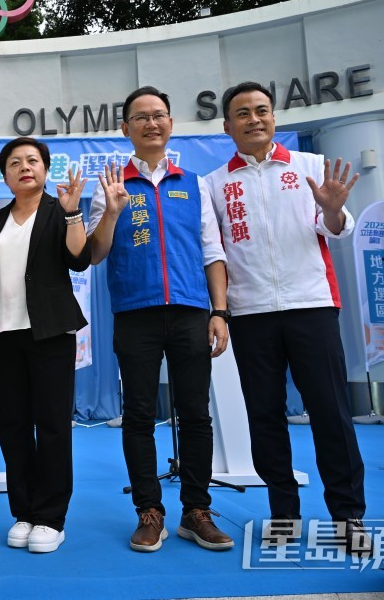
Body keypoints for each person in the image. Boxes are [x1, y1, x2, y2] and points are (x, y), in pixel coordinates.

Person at [204, 81, 368, 553]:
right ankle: (284, 513)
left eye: (263, 110)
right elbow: (213, 250)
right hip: (252, 314)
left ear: (274, 117)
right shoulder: (215, 184)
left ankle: (348, 515)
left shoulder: (311, 167)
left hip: (311, 305)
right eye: (243, 113)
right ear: (228, 126)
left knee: (331, 413)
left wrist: (334, 211)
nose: (255, 119)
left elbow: (334, 228)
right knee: (265, 416)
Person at [86, 86, 233, 553]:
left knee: (195, 414)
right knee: (140, 416)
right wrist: (110, 213)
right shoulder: (110, 184)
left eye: (160, 115)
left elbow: (212, 252)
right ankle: (149, 512)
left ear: (171, 123)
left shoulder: (195, 183)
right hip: (136, 315)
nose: (152, 123)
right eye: (141, 117)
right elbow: (95, 254)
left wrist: (220, 311)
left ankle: (196, 511)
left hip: (192, 312)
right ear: (125, 128)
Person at [0, 136, 91, 554]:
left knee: (54, 426)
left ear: (44, 169)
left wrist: (73, 213)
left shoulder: (58, 211)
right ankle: (24, 511)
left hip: (49, 334)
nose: (24, 167)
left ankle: (50, 517)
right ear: (4, 175)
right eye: (14, 163)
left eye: (32, 161)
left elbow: (80, 259)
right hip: (4, 336)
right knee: (12, 426)